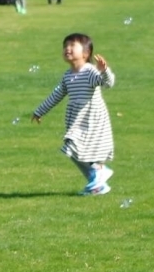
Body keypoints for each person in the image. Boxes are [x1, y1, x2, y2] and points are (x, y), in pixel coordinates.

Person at [31, 33, 115, 196]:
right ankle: (97, 182)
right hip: (77, 119)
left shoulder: (90, 72)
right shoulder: (68, 75)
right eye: (65, 46)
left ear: (86, 53)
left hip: (91, 119)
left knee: (73, 147)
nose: (67, 49)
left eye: (72, 46)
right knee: (75, 150)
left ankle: (98, 174)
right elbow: (57, 95)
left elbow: (107, 83)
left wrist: (105, 71)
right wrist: (40, 110)